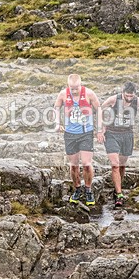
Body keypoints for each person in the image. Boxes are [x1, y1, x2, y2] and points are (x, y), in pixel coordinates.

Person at [98, 82, 139, 208]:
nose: (129, 98)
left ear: (134, 94)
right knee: (115, 165)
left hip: (127, 135)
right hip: (112, 134)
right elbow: (100, 109)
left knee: (121, 166)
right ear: (123, 93)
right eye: (126, 95)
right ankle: (120, 194)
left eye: (131, 96)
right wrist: (101, 129)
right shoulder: (113, 99)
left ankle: (117, 190)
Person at [54, 74, 101, 206]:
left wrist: (99, 129)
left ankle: (88, 189)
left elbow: (99, 109)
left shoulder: (89, 94)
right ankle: (77, 189)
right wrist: (57, 123)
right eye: (72, 88)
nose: (74, 91)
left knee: (86, 163)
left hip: (86, 133)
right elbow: (57, 107)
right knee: (73, 165)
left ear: (80, 85)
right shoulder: (63, 94)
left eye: (76, 88)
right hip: (70, 134)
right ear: (68, 86)